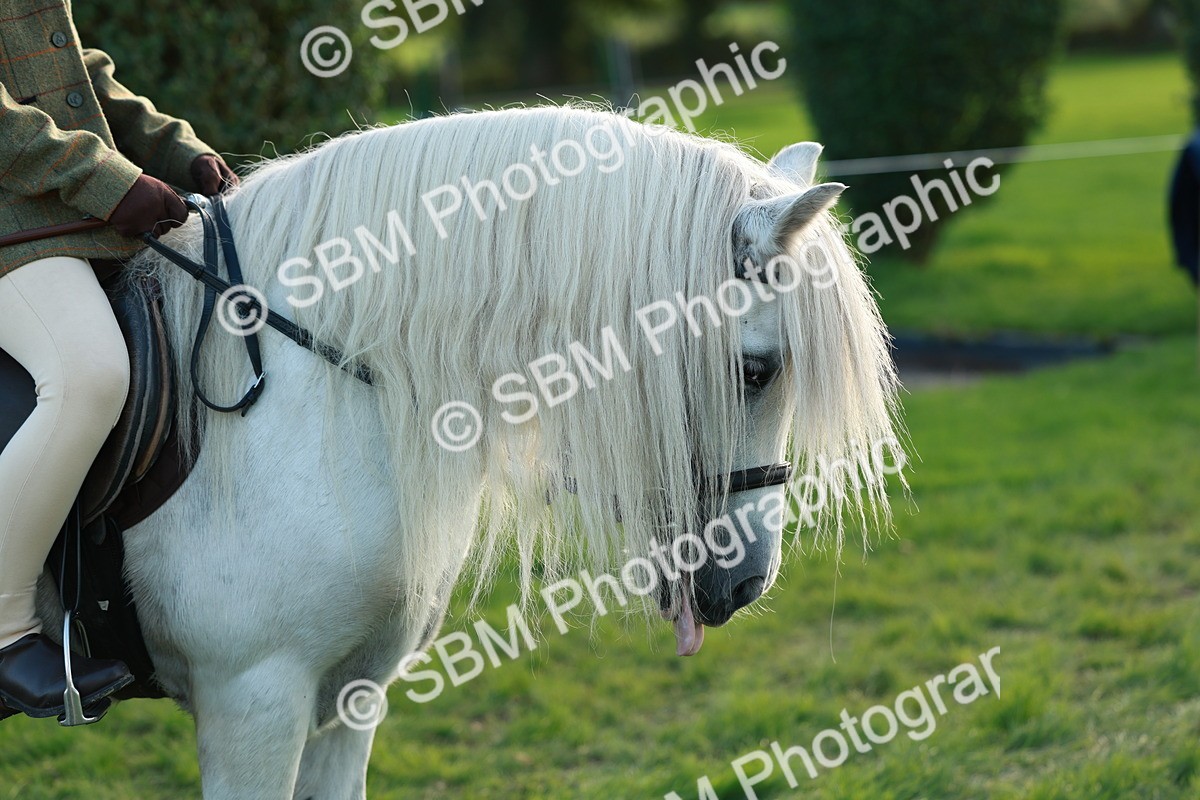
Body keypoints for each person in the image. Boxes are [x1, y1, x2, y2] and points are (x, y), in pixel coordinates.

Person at [0, 1, 237, 721]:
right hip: (17, 228)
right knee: (88, 372)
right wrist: (110, 182)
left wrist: (175, 150)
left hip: (61, 215)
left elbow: (70, 71)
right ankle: (7, 632)